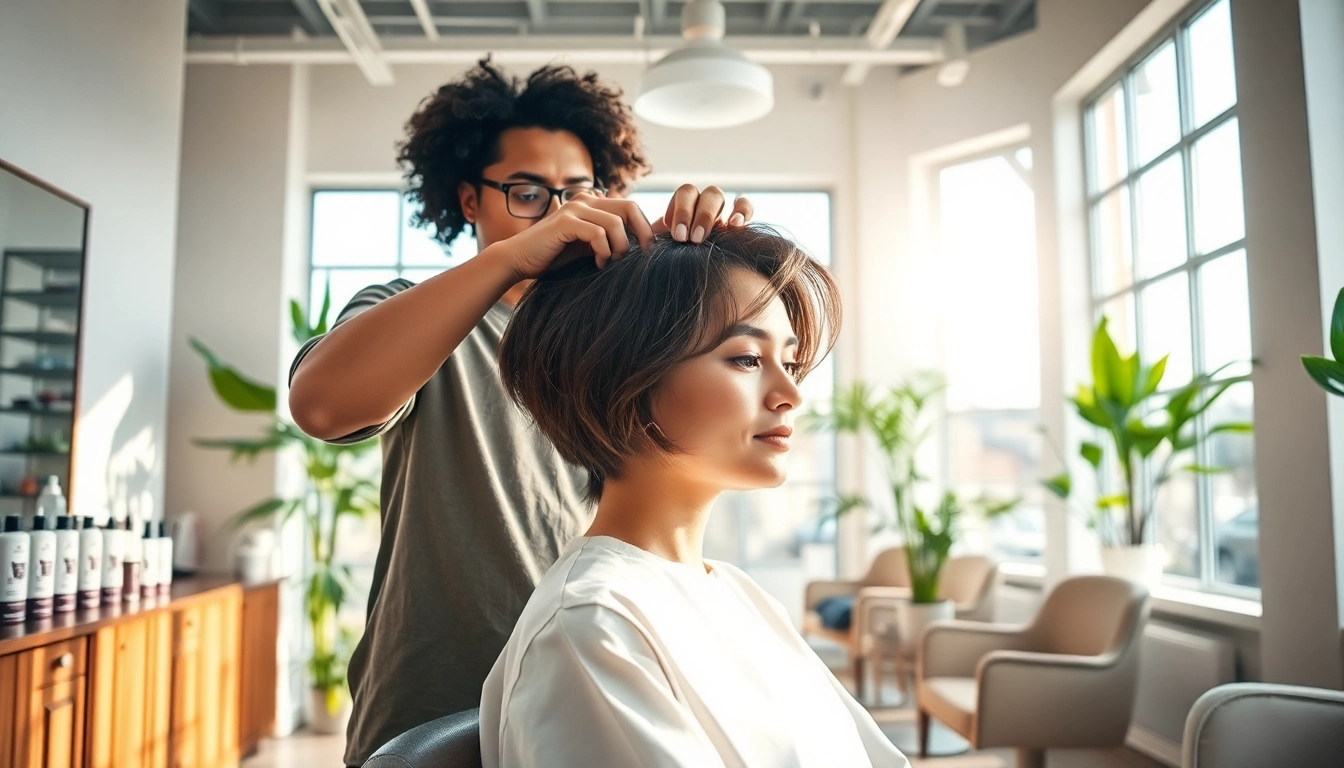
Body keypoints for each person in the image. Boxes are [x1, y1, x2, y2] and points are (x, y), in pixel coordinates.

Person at [287, 58, 755, 767]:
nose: (562, 213)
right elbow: (321, 405)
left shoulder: (618, 343)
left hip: (579, 689)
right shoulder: (411, 316)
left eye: (577, 192)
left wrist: (709, 271)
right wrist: (512, 260)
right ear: (471, 200)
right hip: (424, 706)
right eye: (529, 193)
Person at [482, 224, 909, 767]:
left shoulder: (736, 592)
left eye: (792, 362)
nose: (791, 395)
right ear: (622, 378)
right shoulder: (591, 623)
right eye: (746, 359)